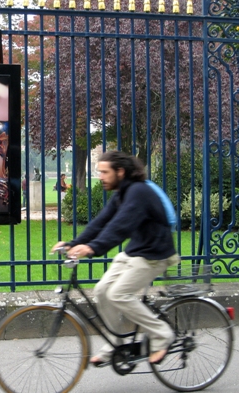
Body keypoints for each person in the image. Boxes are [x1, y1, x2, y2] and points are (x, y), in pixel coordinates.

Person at [52, 151, 179, 366]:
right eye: (99, 171)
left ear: (120, 172)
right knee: (102, 290)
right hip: (135, 252)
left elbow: (120, 227)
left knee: (118, 294)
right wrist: (74, 243)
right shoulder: (122, 192)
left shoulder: (138, 192)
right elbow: (102, 221)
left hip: (155, 254)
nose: (100, 176)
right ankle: (114, 343)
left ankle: (162, 334)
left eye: (104, 172)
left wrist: (92, 248)